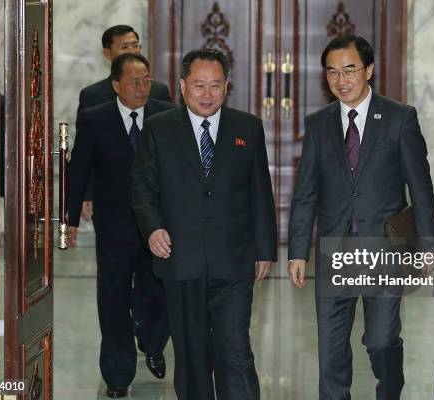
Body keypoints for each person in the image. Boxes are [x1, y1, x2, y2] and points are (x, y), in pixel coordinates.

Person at [287, 34, 434, 400]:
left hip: (384, 249)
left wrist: (431, 243)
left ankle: (390, 388)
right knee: (330, 348)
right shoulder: (318, 124)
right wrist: (296, 251)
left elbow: (420, 186)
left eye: (350, 70)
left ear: (368, 70)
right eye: (332, 73)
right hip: (334, 250)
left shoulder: (399, 118)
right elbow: (306, 190)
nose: (342, 80)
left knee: (381, 340)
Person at [131, 48, 277, 400]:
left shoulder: (248, 127)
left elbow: (260, 192)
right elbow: (142, 187)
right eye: (198, 85)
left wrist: (265, 249)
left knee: (235, 350)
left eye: (215, 85)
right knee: (193, 356)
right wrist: (152, 228)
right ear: (183, 87)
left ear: (227, 86)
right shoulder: (158, 129)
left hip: (234, 259)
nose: (207, 94)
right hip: (181, 260)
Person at [67, 53, 174, 399]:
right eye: (134, 81)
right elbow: (79, 168)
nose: (142, 88)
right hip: (113, 225)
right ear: (116, 85)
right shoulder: (96, 119)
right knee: (112, 298)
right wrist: (69, 218)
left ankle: (154, 342)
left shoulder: (165, 114)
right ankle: (117, 374)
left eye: (146, 80)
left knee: (156, 291)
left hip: (157, 225)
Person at [78, 24, 171, 221]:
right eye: (124, 47)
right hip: (111, 194)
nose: (132, 51)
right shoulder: (93, 95)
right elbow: (86, 152)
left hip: (154, 192)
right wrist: (86, 193)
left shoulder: (159, 92)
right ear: (106, 53)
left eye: (135, 46)